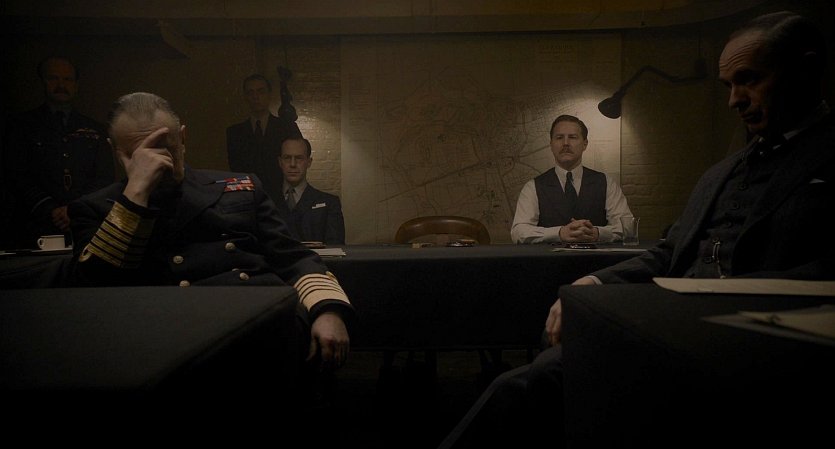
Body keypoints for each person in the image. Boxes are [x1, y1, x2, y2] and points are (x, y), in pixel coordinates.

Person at [440, 10, 834, 449]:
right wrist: (592, 282)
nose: (733, 100)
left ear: (805, 70)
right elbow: (669, 250)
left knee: (540, 385)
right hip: (673, 322)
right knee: (530, 374)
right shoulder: (721, 173)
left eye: (750, 80)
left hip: (751, 347)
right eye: (728, 86)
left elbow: (626, 227)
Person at [67, 92, 354, 413]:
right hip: (161, 347)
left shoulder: (240, 186)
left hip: (259, 333)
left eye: (165, 148)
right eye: (139, 153)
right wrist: (135, 194)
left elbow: (293, 258)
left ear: (183, 138)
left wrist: (327, 311)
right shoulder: (95, 208)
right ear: (116, 151)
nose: (158, 161)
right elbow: (93, 289)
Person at [3, 56, 114, 249]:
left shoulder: (95, 130)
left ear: (76, 85)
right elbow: (17, 174)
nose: (61, 85)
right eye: (53, 78)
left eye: (67, 79)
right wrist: (49, 208)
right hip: (35, 224)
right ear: (42, 82)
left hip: (85, 225)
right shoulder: (21, 126)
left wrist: (75, 209)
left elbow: (104, 177)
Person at [510, 114, 633, 244]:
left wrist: (597, 233)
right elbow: (518, 232)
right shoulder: (533, 186)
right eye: (559, 138)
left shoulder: (606, 183)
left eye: (573, 137)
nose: (566, 143)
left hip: (596, 257)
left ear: (585, 144)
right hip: (549, 257)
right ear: (551, 144)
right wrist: (559, 233)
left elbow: (628, 226)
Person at [226, 73, 302, 202]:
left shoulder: (287, 127)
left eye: (260, 91)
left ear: (269, 94)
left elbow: (299, 161)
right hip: (248, 198)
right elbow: (236, 169)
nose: (255, 97)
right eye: (250, 92)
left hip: (282, 197)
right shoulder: (235, 132)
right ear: (245, 97)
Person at [277, 136, 346, 245]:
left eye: (299, 158)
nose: (293, 164)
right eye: (287, 158)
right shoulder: (267, 201)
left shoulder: (330, 204)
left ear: (309, 162)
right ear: (280, 162)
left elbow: (335, 247)